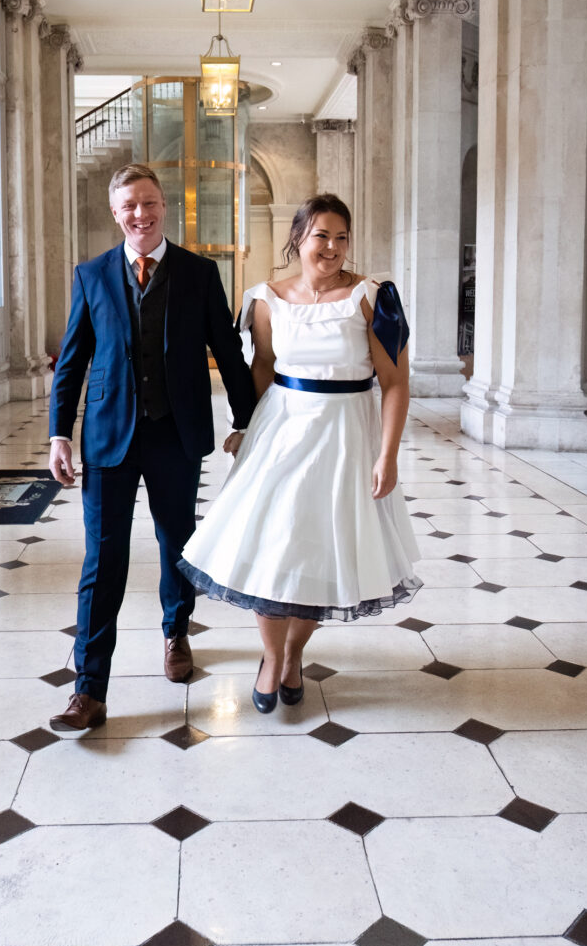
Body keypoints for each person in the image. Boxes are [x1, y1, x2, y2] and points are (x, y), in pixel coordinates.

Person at [179, 193, 422, 712]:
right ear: (298, 239)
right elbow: (261, 369)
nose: (331, 247)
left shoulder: (371, 297)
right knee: (272, 547)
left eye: (341, 237)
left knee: (319, 550)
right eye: (321, 235)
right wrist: (244, 427)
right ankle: (270, 657)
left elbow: (396, 383)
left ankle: (293, 655)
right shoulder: (265, 299)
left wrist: (388, 454)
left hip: (345, 436)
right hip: (280, 432)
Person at [47, 163, 256, 731]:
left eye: (150, 203)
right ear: (115, 214)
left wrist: (249, 421)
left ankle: (176, 631)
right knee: (102, 560)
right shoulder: (91, 276)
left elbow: (229, 352)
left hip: (175, 433)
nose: (141, 214)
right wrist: (59, 433)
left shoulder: (198, 273)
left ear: (165, 207)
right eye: (129, 206)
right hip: (109, 438)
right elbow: (72, 362)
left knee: (176, 543)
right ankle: (88, 689)